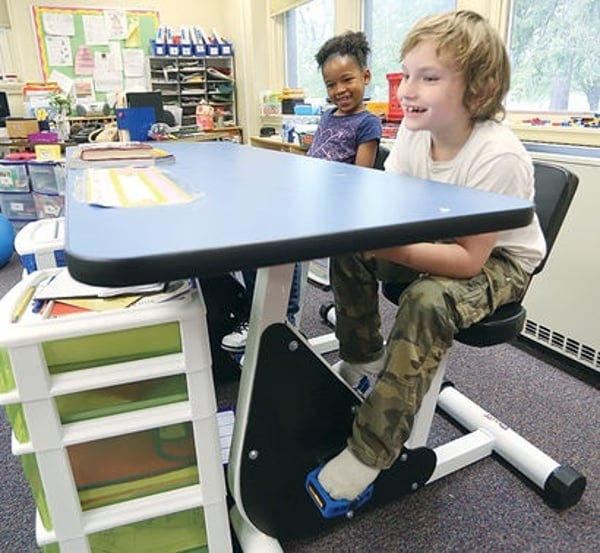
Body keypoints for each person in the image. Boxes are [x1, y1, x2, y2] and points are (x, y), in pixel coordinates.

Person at [317, 10, 546, 503]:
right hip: (441, 238)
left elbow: (467, 262)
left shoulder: (497, 156)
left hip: (499, 261)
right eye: (406, 74)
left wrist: (386, 244)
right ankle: (362, 358)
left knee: (426, 300)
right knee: (351, 247)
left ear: (479, 91)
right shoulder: (414, 138)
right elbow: (393, 211)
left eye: (428, 78)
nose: (406, 90)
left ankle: (370, 451)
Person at [221, 30, 382, 354]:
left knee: (280, 238)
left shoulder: (368, 124)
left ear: (365, 76)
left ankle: (284, 317)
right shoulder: (327, 116)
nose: (339, 90)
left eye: (347, 80)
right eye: (331, 85)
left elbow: (359, 179)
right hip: (308, 194)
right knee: (252, 229)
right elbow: (314, 160)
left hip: (335, 206)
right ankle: (258, 311)